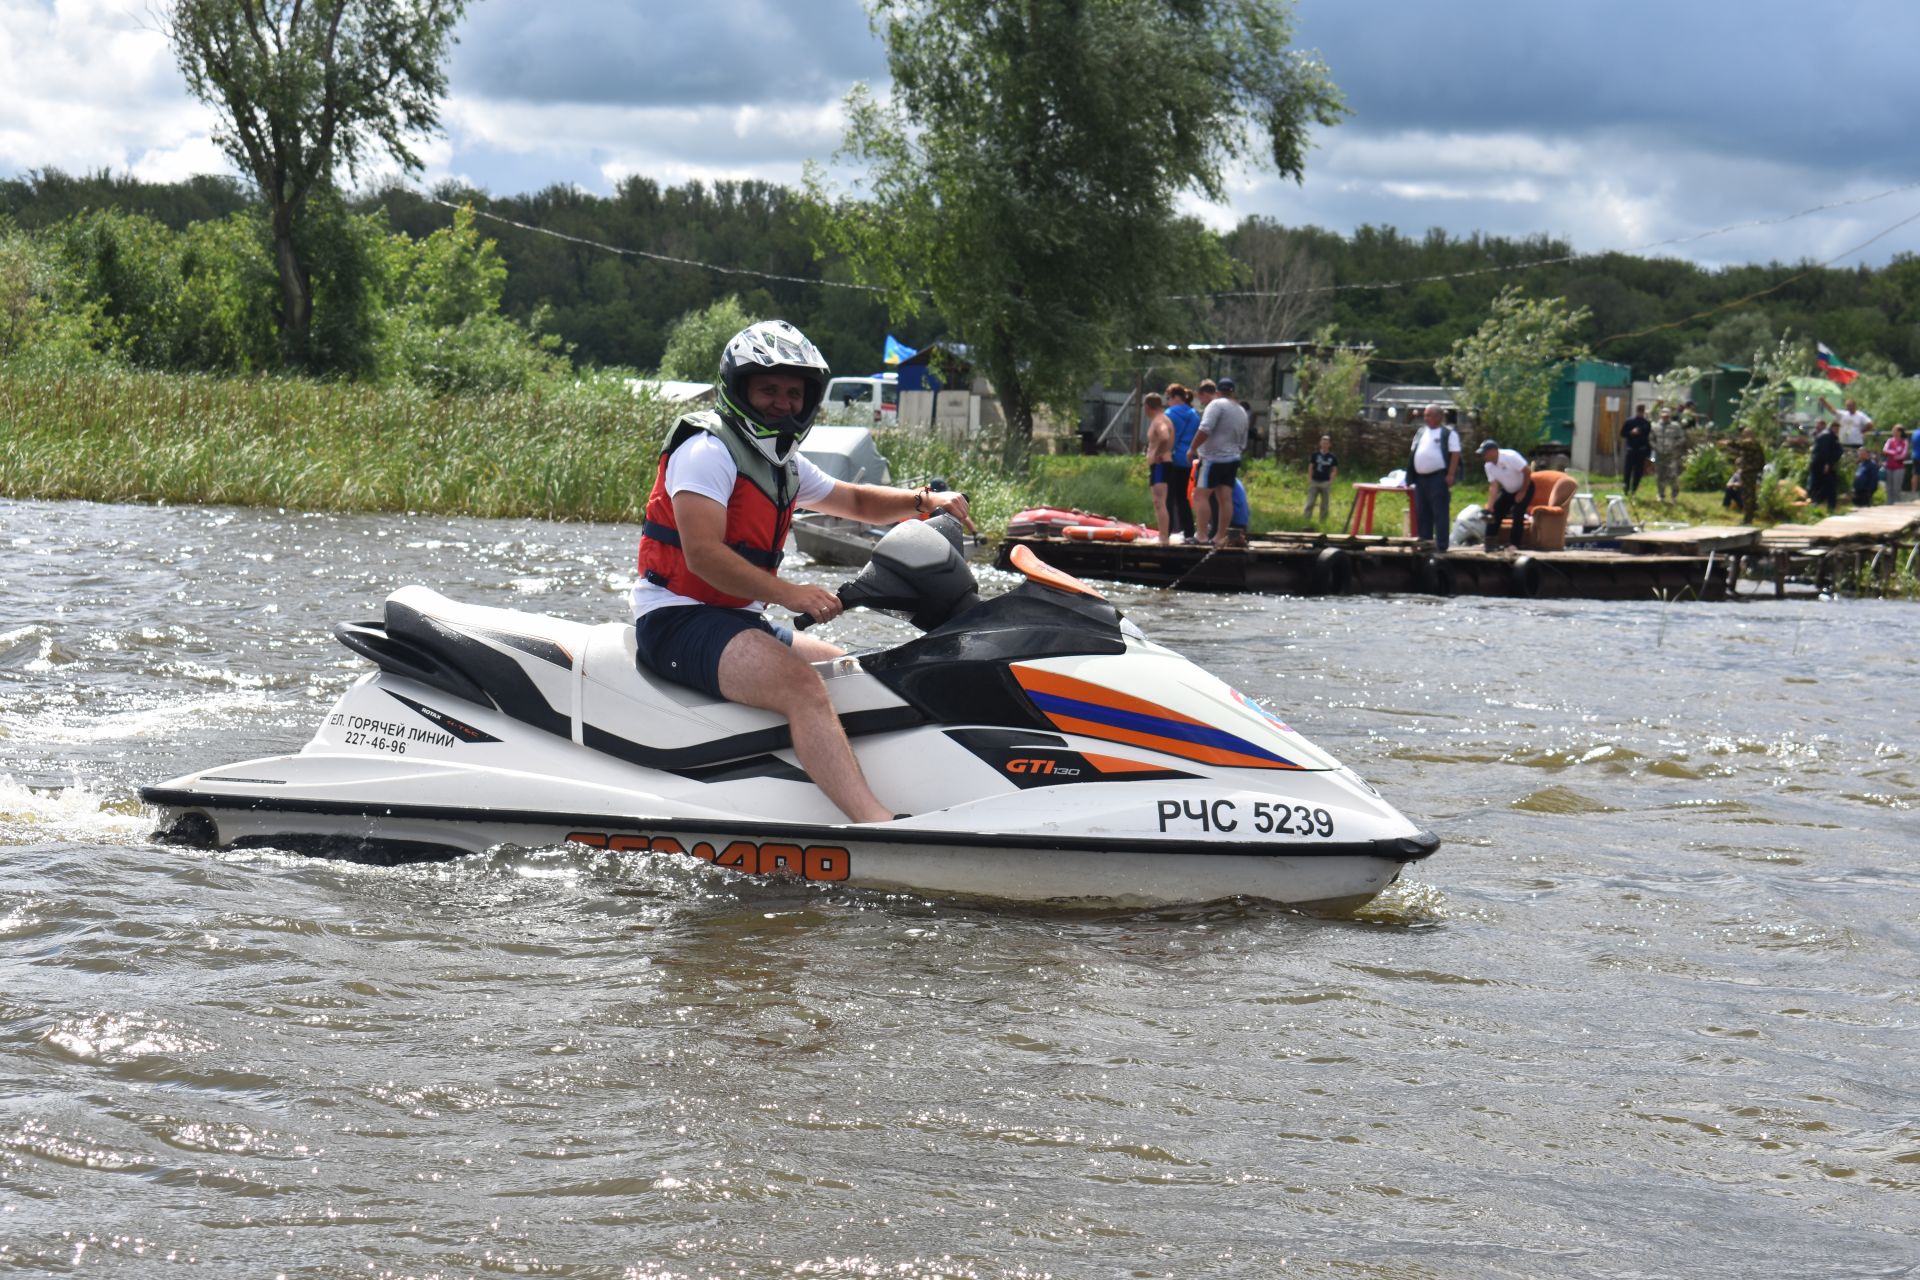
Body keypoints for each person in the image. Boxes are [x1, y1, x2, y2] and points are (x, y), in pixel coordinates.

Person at [633, 319, 972, 824]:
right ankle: (875, 823)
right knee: (803, 687)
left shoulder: (782, 463)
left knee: (856, 674)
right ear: (739, 389)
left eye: (793, 393)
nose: (781, 402)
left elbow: (854, 499)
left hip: (735, 620)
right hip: (676, 621)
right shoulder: (706, 450)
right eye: (768, 389)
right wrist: (790, 593)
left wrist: (924, 501)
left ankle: (890, 791)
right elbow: (702, 554)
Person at [1190, 377, 1250, 547]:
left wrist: (1192, 448)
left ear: (1217, 392)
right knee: (1225, 498)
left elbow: (1205, 428)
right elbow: (1243, 440)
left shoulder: (1215, 405)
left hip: (1212, 459)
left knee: (1200, 496)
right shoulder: (1240, 410)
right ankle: (1220, 537)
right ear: (1233, 391)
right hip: (1232, 459)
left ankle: (1201, 536)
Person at [1408, 404, 1461, 551]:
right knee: (1423, 512)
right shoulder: (1421, 432)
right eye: (1425, 415)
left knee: (1439, 512)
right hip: (1421, 478)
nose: (1426, 418)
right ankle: (1425, 543)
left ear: (1439, 417)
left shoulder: (1448, 433)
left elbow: (1455, 453)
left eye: (1429, 415)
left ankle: (1441, 545)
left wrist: (1450, 474)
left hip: (1438, 477)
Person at [1477, 439, 1533, 551]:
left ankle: (1515, 544)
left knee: (1518, 513)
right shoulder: (1488, 466)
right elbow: (1494, 486)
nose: (1483, 456)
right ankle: (1489, 541)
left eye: (1485, 453)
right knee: (1494, 513)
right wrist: (1490, 505)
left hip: (1525, 487)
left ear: (1494, 451)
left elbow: (1527, 471)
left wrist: (1522, 491)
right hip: (1508, 490)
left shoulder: (1510, 456)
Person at [1162, 383, 1199, 540]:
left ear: (1176, 397)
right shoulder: (1194, 415)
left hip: (1171, 459)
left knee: (1168, 497)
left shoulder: (1169, 413)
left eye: (1168, 398)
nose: (1168, 401)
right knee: (1183, 497)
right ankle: (1189, 532)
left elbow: (1166, 438)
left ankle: (1166, 531)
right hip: (1187, 461)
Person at [1142, 392, 1176, 543]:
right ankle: (1163, 535)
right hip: (1162, 465)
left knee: (1159, 501)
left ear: (1147, 407)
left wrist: (1157, 452)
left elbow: (1164, 437)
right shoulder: (1164, 418)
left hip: (1160, 464)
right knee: (1160, 501)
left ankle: (1163, 537)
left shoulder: (1159, 421)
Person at [1652, 407, 1688, 502]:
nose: (1665, 418)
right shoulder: (1655, 426)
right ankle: (1661, 495)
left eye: (1667, 416)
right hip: (1660, 455)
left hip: (1671, 456)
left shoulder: (1675, 426)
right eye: (1663, 416)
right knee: (1660, 475)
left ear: (1670, 416)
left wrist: (1674, 445)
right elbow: (1651, 439)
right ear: (1660, 415)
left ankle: (1674, 496)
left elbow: (1682, 438)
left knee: (1672, 476)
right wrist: (1656, 447)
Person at [1730, 427, 1766, 523]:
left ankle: (1748, 519)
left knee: (1748, 496)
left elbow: (1738, 445)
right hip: (1750, 472)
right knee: (1749, 495)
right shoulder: (1753, 444)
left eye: (1745, 434)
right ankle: (1749, 516)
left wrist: (1727, 443)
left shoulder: (1750, 443)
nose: (1743, 435)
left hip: (1749, 472)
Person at [1807, 418, 1842, 513]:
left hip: (1822, 464)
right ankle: (1827, 507)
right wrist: (1827, 463)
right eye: (1837, 428)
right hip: (1823, 465)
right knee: (1828, 485)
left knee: (1820, 485)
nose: (1838, 430)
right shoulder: (1827, 436)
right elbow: (1825, 451)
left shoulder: (1828, 435)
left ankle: (1819, 505)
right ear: (1833, 427)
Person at [1303, 434, 1338, 523]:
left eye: (1326, 443)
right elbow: (1311, 466)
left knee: (1324, 505)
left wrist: (1331, 481)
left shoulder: (1332, 457)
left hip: (1325, 482)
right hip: (1315, 481)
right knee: (1310, 503)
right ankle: (1306, 520)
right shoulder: (1315, 455)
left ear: (1329, 445)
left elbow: (1334, 469)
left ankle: (1323, 522)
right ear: (1320, 443)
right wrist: (1310, 479)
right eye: (1323, 443)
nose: (1325, 445)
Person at [1620, 405, 1652, 496]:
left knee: (1638, 472)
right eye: (1639, 411)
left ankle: (1634, 490)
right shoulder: (1629, 421)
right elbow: (1622, 433)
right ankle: (1626, 488)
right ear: (1636, 411)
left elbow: (1648, 438)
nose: (1640, 413)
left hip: (1641, 450)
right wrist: (1631, 432)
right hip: (1631, 449)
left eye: (1642, 411)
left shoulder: (1646, 423)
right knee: (1628, 470)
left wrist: (1648, 453)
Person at [1882, 425, 1909, 505]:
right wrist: (1894, 453)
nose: (1893, 432)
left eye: (1894, 430)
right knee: (1889, 487)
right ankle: (1889, 503)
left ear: (1900, 432)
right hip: (1889, 466)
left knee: (1896, 487)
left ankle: (1897, 503)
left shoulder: (1904, 442)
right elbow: (1885, 450)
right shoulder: (1890, 441)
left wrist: (1892, 454)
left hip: (1899, 467)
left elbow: (1903, 455)